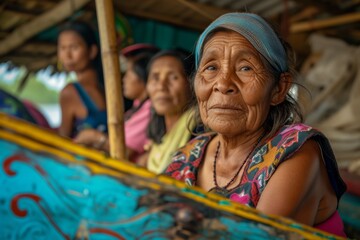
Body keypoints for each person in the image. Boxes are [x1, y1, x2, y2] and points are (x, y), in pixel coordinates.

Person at [164, 13, 347, 237]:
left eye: (245, 68)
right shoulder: (189, 154)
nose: (223, 84)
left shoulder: (297, 151)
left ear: (279, 89)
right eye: (211, 68)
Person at [74, 53, 156, 162]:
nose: (124, 79)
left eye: (129, 73)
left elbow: (126, 152)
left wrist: (96, 137)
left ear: (143, 78)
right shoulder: (138, 106)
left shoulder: (148, 109)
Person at [143, 49, 199, 174]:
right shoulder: (159, 135)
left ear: (193, 83)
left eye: (173, 77)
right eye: (155, 78)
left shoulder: (199, 134)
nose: (161, 86)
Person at [57, 21, 107, 138]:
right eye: (63, 48)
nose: (67, 55)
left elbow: (64, 140)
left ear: (92, 51)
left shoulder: (70, 92)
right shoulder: (109, 86)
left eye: (74, 47)